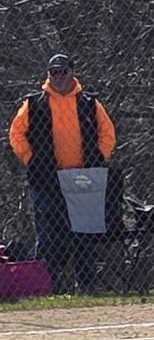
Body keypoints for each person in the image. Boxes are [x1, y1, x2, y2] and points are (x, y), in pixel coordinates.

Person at [8, 55, 117, 292]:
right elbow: (16, 134)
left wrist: (98, 158)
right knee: (49, 233)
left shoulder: (88, 102)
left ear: (72, 73)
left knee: (83, 233)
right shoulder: (34, 103)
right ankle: (47, 285)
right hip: (46, 179)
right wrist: (31, 159)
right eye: (53, 72)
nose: (58, 76)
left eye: (63, 71)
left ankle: (86, 284)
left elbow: (108, 133)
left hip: (81, 179)